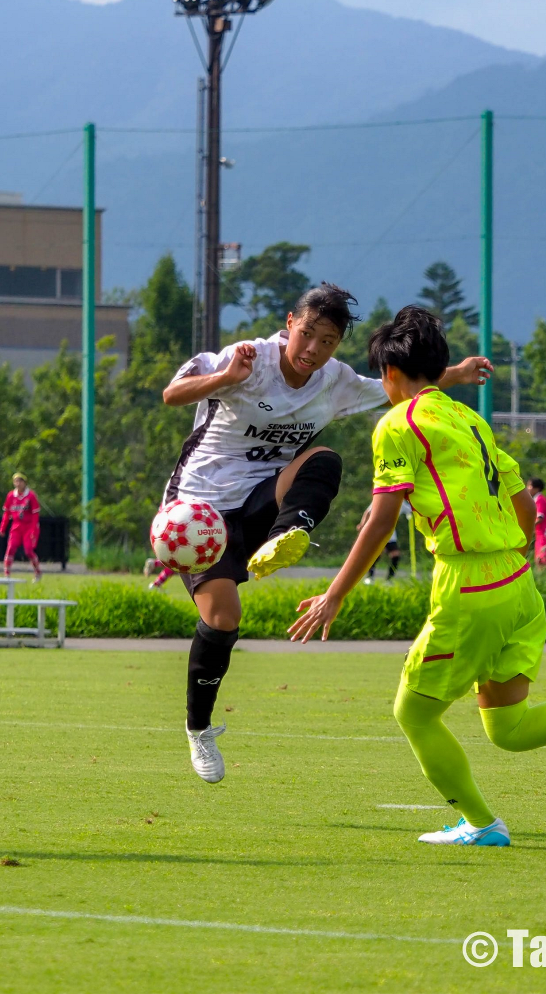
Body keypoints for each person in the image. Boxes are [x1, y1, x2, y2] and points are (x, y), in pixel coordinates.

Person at [288, 305, 546, 846]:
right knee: (509, 728)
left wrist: (335, 595)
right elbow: (521, 494)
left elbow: (383, 518)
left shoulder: (398, 424)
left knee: (414, 714)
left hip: (469, 586)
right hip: (518, 583)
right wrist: (519, 550)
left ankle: (482, 825)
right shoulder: (467, 417)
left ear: (390, 374)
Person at [160, 283, 493, 783]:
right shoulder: (248, 358)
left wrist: (457, 376)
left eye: (328, 341)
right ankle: (199, 729)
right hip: (200, 510)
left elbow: (396, 384)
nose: (313, 350)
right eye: (308, 334)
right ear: (290, 322)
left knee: (323, 459)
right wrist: (227, 378)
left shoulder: (334, 381)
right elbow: (172, 394)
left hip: (261, 501)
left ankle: (289, 533)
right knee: (225, 619)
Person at [0, 472, 42, 580]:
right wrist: (3, 527)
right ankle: (7, 574)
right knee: (11, 548)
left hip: (28, 526)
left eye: (20, 481)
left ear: (24, 482)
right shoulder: (11, 496)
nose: (18, 484)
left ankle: (37, 572)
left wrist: (33, 530)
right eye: (16, 481)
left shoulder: (31, 496)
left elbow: (35, 514)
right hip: (16, 526)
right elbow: (7, 513)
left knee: (28, 550)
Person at [362, 500, 408, 583]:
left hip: (391, 535)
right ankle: (369, 577)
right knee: (376, 555)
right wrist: (363, 525)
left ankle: (389, 579)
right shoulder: (384, 497)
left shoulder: (402, 503)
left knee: (395, 555)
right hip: (378, 533)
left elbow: (412, 511)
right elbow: (368, 512)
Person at [526, 477, 546, 567]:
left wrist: (527, 527)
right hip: (540, 534)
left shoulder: (540, 499)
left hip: (545, 533)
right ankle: (543, 580)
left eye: (529, 485)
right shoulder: (535, 499)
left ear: (537, 488)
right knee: (539, 560)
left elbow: (540, 518)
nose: (527, 488)